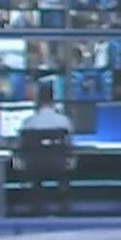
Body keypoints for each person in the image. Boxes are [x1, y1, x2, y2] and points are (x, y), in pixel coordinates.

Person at [17, 84, 75, 216]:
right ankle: (64, 206)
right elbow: (70, 145)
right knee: (63, 172)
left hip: (34, 167)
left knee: (35, 172)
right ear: (54, 101)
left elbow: (21, 146)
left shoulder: (28, 122)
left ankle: (36, 207)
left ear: (37, 102)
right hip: (59, 165)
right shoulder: (64, 121)